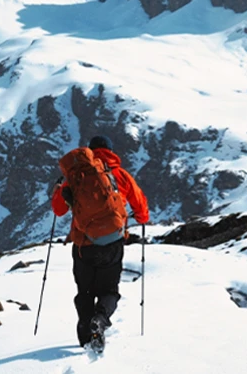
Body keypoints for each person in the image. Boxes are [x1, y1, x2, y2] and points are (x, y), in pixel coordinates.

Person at [52, 135, 149, 352]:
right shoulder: (119, 175)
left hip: (83, 245)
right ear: (111, 151)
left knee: (84, 292)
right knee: (109, 291)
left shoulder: (76, 177)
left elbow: (58, 210)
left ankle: (86, 335)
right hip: (113, 243)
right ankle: (100, 320)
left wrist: (59, 189)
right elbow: (141, 208)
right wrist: (137, 219)